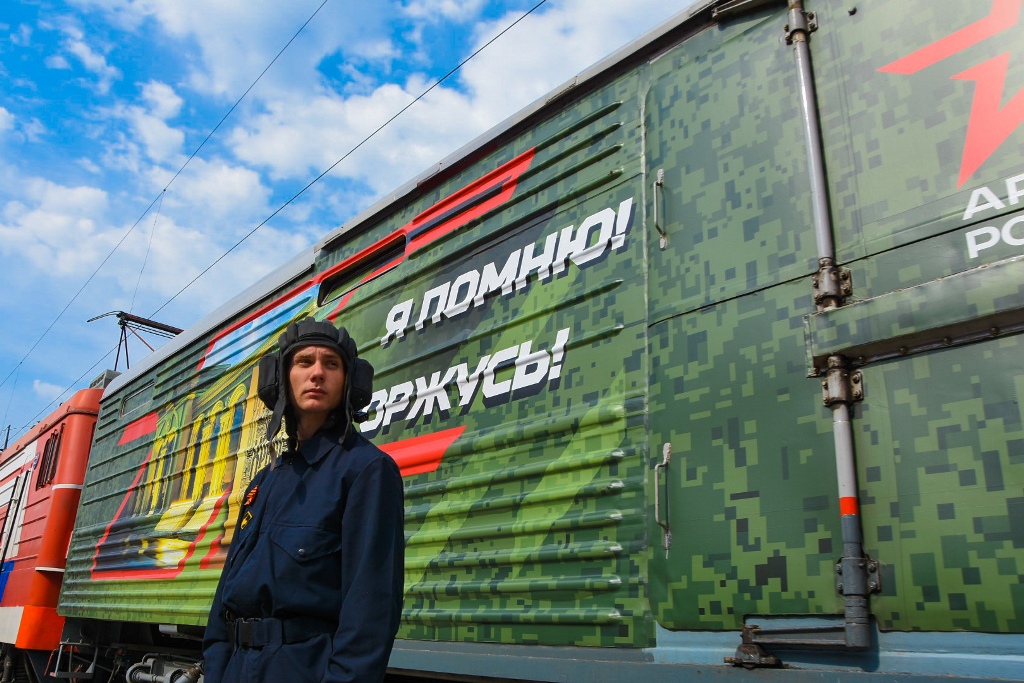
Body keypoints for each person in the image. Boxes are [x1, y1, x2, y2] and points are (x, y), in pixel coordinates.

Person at [203, 318, 405, 683]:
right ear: (281, 379)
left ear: (348, 380)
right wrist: (216, 667)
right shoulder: (264, 482)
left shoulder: (367, 471)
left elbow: (371, 611)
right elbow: (225, 597)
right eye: (304, 362)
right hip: (236, 670)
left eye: (331, 364)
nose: (317, 374)